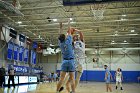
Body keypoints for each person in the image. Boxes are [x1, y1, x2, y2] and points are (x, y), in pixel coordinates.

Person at [56, 27, 76, 93]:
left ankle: (57, 91)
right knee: (72, 78)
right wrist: (68, 23)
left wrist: (60, 27)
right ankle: (73, 92)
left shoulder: (60, 43)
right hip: (71, 61)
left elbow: (60, 35)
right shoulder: (69, 41)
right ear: (65, 38)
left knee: (61, 78)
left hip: (64, 61)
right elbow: (69, 31)